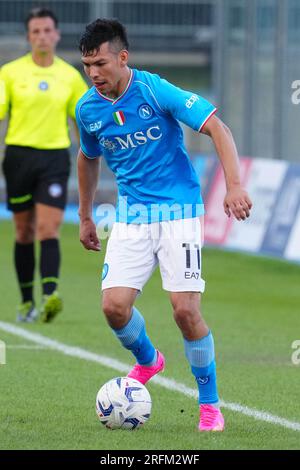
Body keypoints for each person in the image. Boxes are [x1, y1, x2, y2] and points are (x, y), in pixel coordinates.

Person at [76, 19, 252, 431]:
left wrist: (235, 186)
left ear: (123, 57)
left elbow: (217, 128)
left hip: (179, 213)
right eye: (86, 65)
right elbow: (88, 158)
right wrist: (86, 214)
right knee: (113, 307)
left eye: (100, 63)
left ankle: (209, 405)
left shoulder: (156, 90)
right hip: (132, 216)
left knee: (185, 310)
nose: (94, 74)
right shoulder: (88, 108)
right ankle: (149, 361)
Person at [0, 8, 88, 322]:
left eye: (47, 30)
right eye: (36, 31)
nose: (42, 36)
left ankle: (50, 296)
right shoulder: (10, 73)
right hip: (19, 158)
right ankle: (27, 302)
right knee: (23, 231)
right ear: (28, 36)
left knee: (48, 228)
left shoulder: (69, 76)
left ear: (57, 34)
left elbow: (82, 120)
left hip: (54, 157)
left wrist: (91, 154)